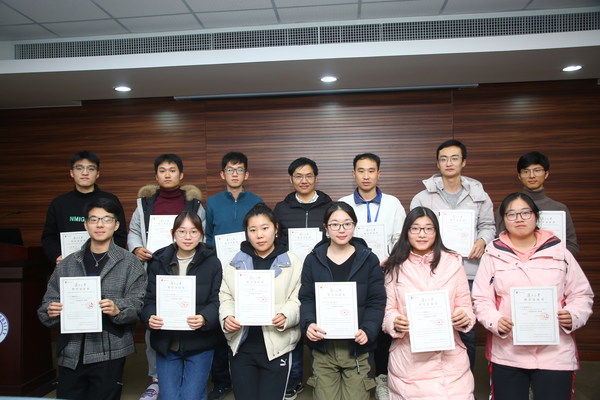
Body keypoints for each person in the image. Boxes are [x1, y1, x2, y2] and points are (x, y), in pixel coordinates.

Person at [473, 192, 593, 400]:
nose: (519, 219)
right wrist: (495, 321)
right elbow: (481, 299)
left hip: (555, 353)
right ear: (503, 220)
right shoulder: (492, 255)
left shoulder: (560, 252)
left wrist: (573, 315)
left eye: (525, 213)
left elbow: (581, 294)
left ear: (536, 216)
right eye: (511, 214)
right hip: (508, 353)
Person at [38, 198, 146, 400]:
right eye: (94, 219)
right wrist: (51, 310)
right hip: (71, 349)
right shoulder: (68, 263)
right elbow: (46, 305)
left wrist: (117, 308)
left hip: (110, 350)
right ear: (86, 225)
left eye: (107, 219)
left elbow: (138, 304)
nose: (100, 224)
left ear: (116, 225)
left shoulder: (130, 263)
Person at [410, 139, 495, 371]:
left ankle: (464, 379)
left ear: (463, 162)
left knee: (466, 328)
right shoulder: (422, 197)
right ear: (437, 163)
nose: (449, 163)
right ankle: (433, 377)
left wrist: (482, 240)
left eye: (455, 158)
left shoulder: (479, 195)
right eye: (444, 159)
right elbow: (414, 232)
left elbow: (488, 226)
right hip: (432, 271)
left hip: (469, 271)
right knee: (432, 324)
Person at [128, 153, 205, 400]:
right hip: (155, 268)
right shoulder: (145, 203)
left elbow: (202, 233)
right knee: (156, 320)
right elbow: (133, 231)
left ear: (181, 175)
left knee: (188, 317)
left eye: (172, 170)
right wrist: (136, 248)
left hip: (187, 269)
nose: (167, 174)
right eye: (162, 170)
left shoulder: (194, 204)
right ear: (156, 175)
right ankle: (156, 378)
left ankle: (185, 372)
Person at [382, 206, 475, 399]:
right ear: (407, 232)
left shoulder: (453, 263)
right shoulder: (394, 266)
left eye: (428, 228)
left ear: (436, 232)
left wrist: (464, 316)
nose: (422, 234)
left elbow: (465, 305)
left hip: (449, 359)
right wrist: (395, 321)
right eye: (415, 228)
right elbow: (389, 309)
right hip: (408, 358)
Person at [300, 201, 386, 400]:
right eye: (335, 224)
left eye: (347, 224)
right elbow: (306, 298)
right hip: (323, 347)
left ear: (354, 226)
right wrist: (308, 323)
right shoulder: (313, 259)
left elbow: (376, 300)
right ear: (326, 227)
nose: (341, 229)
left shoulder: (368, 259)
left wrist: (369, 330)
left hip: (358, 346)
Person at [219, 203, 303, 400]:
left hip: (277, 345)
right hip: (241, 345)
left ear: (276, 228)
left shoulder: (292, 262)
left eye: (265, 228)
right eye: (253, 230)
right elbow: (225, 295)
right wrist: (227, 316)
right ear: (247, 233)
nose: (259, 235)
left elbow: (298, 296)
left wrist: (286, 315)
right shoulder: (235, 262)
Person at [339, 153, 405, 399]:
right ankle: (358, 374)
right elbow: (336, 236)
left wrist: (390, 257)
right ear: (353, 173)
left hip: (385, 272)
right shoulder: (344, 203)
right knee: (358, 321)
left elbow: (401, 238)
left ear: (379, 173)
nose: (366, 176)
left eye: (371, 170)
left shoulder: (392, 203)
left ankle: (382, 378)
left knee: (383, 323)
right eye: (361, 170)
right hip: (352, 274)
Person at [142, 211, 223, 400]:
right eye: (182, 231)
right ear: (173, 233)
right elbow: (148, 300)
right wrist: (150, 316)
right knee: (169, 397)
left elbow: (218, 300)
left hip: (200, 342)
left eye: (194, 232)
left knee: (191, 396)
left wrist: (205, 318)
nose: (188, 237)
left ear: (201, 234)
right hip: (166, 342)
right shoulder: (158, 261)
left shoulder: (212, 262)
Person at [204, 151, 263, 400]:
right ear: (222, 174)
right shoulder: (212, 203)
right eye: (230, 169)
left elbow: (262, 234)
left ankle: (252, 373)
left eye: (239, 170)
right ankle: (221, 380)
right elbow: (207, 237)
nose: (235, 174)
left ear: (246, 174)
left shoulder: (257, 201)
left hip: (251, 270)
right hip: (220, 269)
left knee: (250, 321)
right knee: (222, 323)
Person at [274, 157, 333, 399]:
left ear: (316, 178)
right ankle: (295, 378)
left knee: (319, 321)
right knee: (293, 323)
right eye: (298, 176)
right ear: (291, 179)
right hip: (290, 274)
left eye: (309, 175)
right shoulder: (281, 208)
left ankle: (323, 375)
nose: (304, 180)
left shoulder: (330, 206)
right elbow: (278, 242)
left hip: (321, 271)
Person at [42, 150, 127, 264]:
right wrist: (56, 256)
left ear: (97, 174)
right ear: (72, 173)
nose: (85, 172)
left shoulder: (111, 200)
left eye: (91, 168)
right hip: (68, 263)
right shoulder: (59, 203)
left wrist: (110, 258)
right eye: (79, 168)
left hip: (105, 263)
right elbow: (49, 237)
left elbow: (120, 235)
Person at [496, 151, 579, 256]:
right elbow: (498, 240)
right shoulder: (508, 207)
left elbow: (572, 245)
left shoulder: (559, 208)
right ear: (519, 176)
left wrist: (552, 260)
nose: (532, 176)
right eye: (526, 171)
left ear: (546, 174)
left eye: (537, 170)